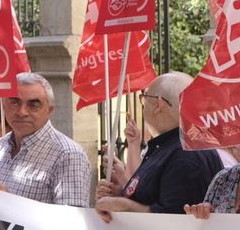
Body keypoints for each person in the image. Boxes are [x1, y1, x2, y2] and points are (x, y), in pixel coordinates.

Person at [95, 73, 222, 220]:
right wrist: (120, 192)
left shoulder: (187, 154)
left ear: (158, 105)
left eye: (145, 98)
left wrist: (122, 205)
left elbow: (173, 220)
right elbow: (150, 197)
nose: (143, 104)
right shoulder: (168, 146)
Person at [0, 72, 92, 207]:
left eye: (34, 105)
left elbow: (70, 222)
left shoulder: (68, 155)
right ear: (3, 105)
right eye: (14, 102)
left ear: (49, 110)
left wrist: (10, 204)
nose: (22, 112)